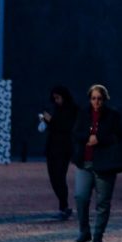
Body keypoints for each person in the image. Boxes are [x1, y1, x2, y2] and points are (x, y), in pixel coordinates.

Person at [72, 84, 122, 242]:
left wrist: (99, 139)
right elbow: (76, 133)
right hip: (85, 162)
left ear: (104, 99)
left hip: (105, 164)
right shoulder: (83, 113)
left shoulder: (113, 116)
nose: (96, 102)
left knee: (102, 201)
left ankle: (98, 235)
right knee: (81, 197)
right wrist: (88, 137)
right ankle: (84, 231)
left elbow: (118, 136)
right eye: (93, 98)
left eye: (99, 98)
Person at [41, 86, 79, 219]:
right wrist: (45, 120)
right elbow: (48, 122)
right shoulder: (53, 108)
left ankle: (64, 206)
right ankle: (63, 206)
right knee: (54, 177)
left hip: (64, 146)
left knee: (59, 177)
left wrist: (49, 120)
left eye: (58, 97)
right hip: (53, 146)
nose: (56, 100)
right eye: (54, 98)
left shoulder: (72, 109)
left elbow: (65, 125)